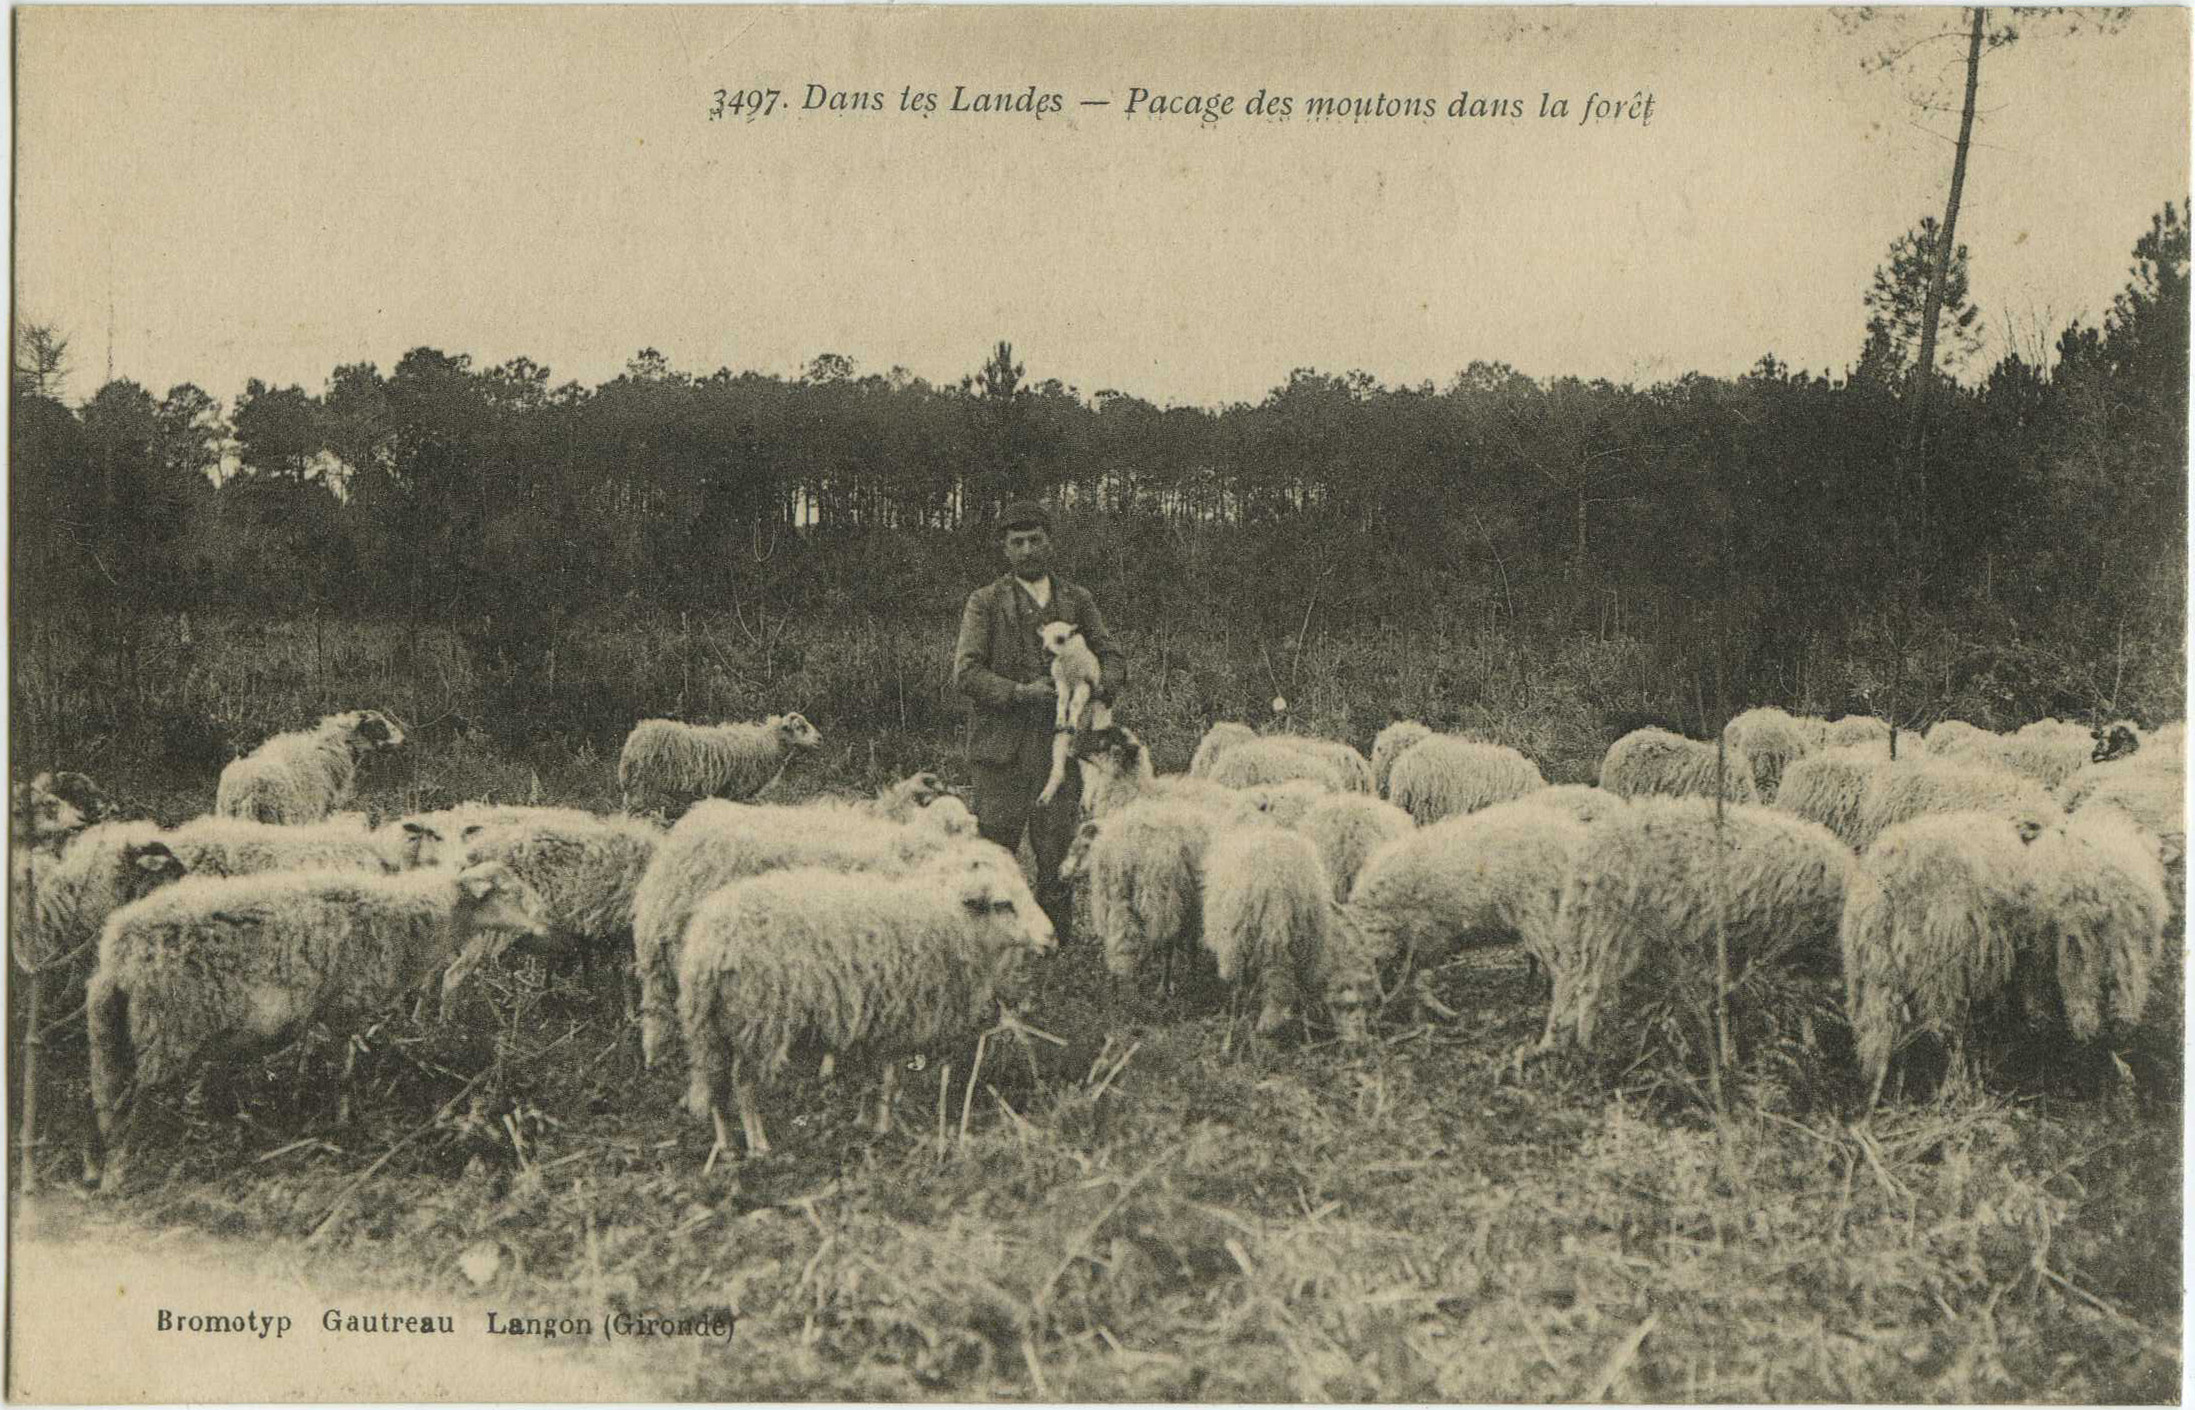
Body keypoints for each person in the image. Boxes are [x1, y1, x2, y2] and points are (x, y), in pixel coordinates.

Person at [951, 501, 1126, 937]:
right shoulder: (985, 603)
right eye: (1017, 542)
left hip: (1061, 753)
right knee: (994, 862)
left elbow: (1111, 654)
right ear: (1004, 550)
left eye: (1035, 540)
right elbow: (966, 672)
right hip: (1000, 754)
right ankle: (990, 949)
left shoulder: (1076, 600)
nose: (1027, 549)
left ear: (1050, 543)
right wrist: (1019, 693)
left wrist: (1096, 687)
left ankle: (1057, 951)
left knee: (1057, 862)